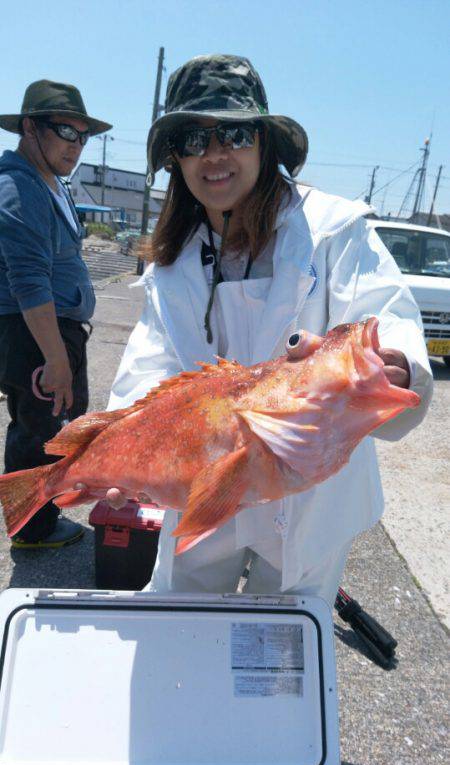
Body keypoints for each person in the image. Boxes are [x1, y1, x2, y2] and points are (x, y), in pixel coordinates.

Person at [106, 54, 432, 605]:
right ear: (176, 160)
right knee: (182, 612)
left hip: (312, 491)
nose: (214, 155)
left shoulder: (333, 228)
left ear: (263, 143)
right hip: (207, 476)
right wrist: (123, 447)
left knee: (286, 650)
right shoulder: (172, 261)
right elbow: (149, 366)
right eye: (192, 139)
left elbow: (384, 310)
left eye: (232, 133)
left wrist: (397, 361)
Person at [0, 80, 112, 548]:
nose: (76, 145)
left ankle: (36, 517)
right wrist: (57, 358)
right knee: (40, 429)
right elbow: (29, 278)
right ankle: (32, 529)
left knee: (53, 427)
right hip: (35, 335)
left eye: (84, 136)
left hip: (54, 332)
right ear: (29, 127)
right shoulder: (18, 186)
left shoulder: (51, 182)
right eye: (66, 130)